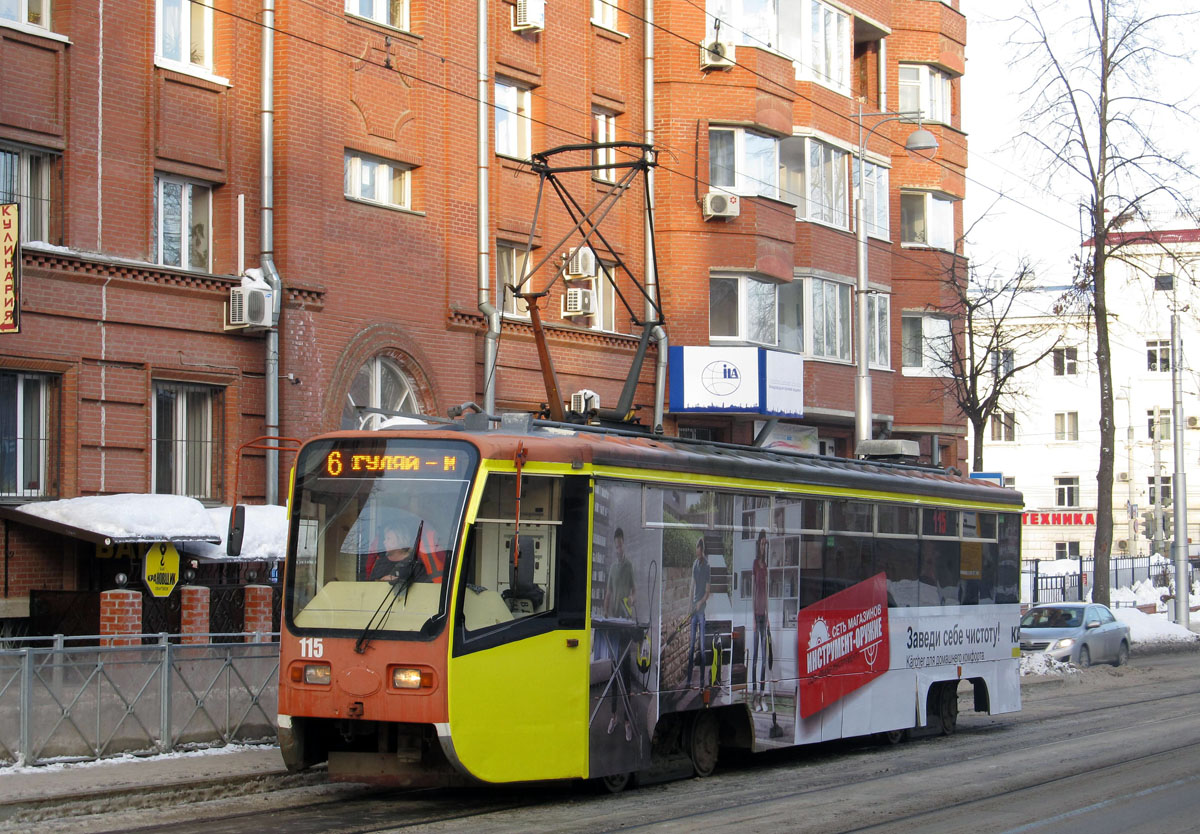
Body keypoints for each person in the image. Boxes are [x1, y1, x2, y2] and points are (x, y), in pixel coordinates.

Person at [368, 518, 444, 583]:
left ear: (401, 541)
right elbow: (370, 586)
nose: (384, 542)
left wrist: (400, 581)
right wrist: (382, 581)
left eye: (388, 538)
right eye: (385, 539)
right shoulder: (380, 563)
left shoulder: (415, 563)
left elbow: (422, 588)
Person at [685, 537, 711, 688]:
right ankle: (688, 681)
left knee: (701, 648)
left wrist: (700, 603)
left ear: (702, 551)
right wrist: (689, 607)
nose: (697, 555)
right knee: (691, 647)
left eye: (699, 553)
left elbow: (707, 592)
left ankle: (702, 682)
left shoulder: (707, 566)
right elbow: (691, 587)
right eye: (696, 553)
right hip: (694, 612)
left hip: (701, 612)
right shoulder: (695, 564)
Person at [751, 530, 769, 711]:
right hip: (757, 616)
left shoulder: (766, 566)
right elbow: (754, 592)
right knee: (755, 658)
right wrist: (754, 619)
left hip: (765, 616)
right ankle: (754, 698)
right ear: (758, 545)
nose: (763, 546)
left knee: (764, 659)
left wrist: (768, 616)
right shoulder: (756, 564)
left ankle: (762, 695)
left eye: (765, 544)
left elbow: (768, 594)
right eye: (761, 543)